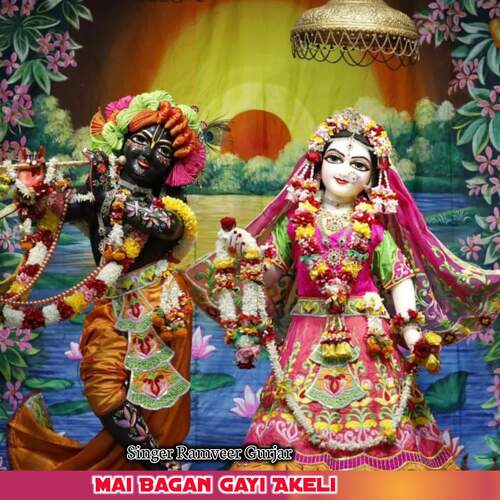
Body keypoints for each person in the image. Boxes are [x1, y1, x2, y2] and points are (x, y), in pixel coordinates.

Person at [186, 109, 499, 471]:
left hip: (368, 336)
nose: (345, 170)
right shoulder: (295, 223)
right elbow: (269, 277)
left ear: (373, 179)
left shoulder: (375, 229)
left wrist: (412, 331)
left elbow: (399, 278)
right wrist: (250, 253)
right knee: (292, 426)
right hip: (307, 336)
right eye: (335, 158)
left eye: (359, 165)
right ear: (317, 163)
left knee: (384, 426)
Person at [6, 90, 205, 470]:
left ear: (173, 165)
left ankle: (158, 464)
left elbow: (160, 225)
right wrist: (33, 188)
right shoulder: (95, 195)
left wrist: (109, 194)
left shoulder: (171, 207)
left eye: (164, 150)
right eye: (140, 140)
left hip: (161, 305)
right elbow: (49, 212)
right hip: (111, 300)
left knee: (158, 400)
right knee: (102, 387)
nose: (149, 153)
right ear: (120, 142)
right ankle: (153, 461)